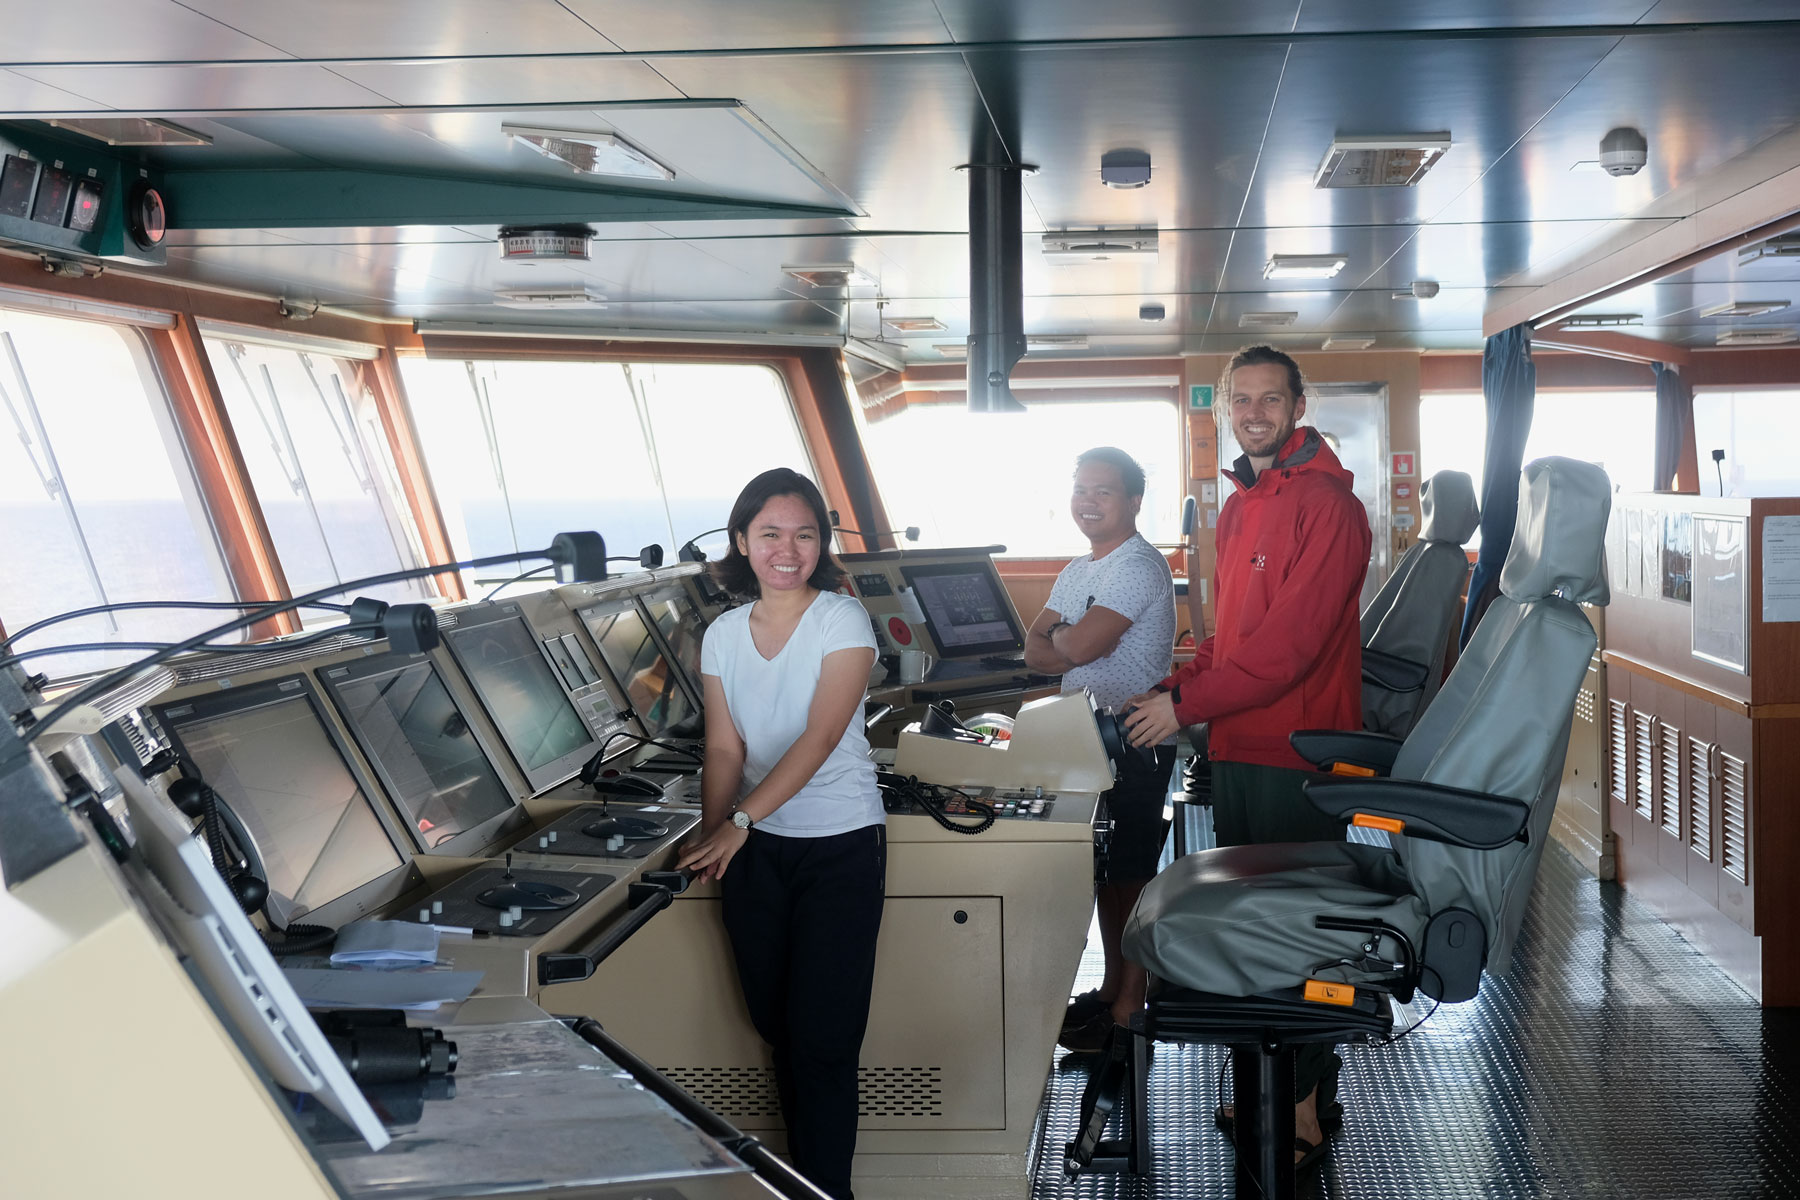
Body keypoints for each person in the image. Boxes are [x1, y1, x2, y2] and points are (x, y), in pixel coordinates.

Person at [1123, 344, 1371, 1166]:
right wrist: (1177, 685)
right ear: (1226, 407)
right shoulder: (1242, 504)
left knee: (1294, 930)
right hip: (1241, 740)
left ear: (1299, 405)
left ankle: (1300, 1106)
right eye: (1242, 399)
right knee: (1258, 924)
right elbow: (1235, 640)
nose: (1255, 412)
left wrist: (1185, 705)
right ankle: (1287, 1087)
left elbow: (1290, 649)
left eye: (1272, 398)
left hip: (1293, 751)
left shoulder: (1329, 507)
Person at [678, 467, 884, 1200]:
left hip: (839, 845)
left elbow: (822, 736)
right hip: (756, 850)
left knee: (823, 1043)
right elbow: (725, 749)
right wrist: (714, 837)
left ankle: (827, 1192)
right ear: (742, 542)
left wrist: (738, 822)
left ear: (821, 543)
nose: (786, 549)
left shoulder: (840, 619)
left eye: (803, 534)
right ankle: (805, 1181)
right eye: (769, 534)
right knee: (777, 1029)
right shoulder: (723, 634)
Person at [1021, 446, 1177, 1052]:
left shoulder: (1139, 566)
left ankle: (1131, 1003)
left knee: (1131, 873)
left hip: (1133, 736)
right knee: (1104, 872)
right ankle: (1115, 986)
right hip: (1082, 739)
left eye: (1103, 491)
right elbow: (1032, 651)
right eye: (1081, 489)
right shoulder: (1076, 570)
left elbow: (1077, 649)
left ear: (1133, 502)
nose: (1087, 501)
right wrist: (1066, 639)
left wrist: (1061, 638)